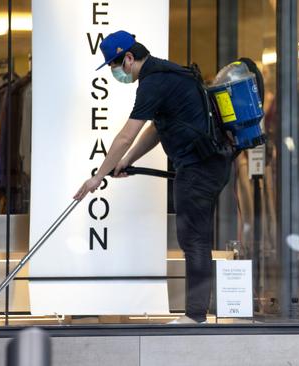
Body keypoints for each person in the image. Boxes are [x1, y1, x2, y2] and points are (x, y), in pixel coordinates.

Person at [73, 30, 231, 324]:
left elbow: (125, 136)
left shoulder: (152, 82)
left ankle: (195, 317)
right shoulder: (166, 73)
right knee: (195, 239)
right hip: (207, 164)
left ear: (129, 58)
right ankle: (195, 315)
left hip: (198, 167)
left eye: (114, 66)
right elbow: (156, 130)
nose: (115, 73)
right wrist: (127, 162)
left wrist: (98, 176)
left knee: (194, 241)